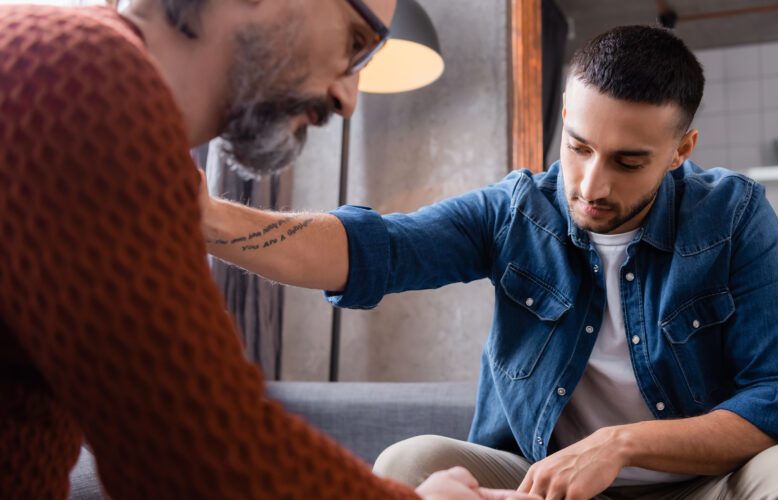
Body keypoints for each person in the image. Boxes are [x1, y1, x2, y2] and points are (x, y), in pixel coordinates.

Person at [199, 26, 778, 500]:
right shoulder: (519, 210)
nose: (591, 185)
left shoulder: (734, 217)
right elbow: (377, 249)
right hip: (542, 486)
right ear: (566, 119)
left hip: (703, 487)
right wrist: (207, 218)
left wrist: (620, 445)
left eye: (628, 161)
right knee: (409, 461)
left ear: (680, 150)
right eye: (578, 147)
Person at [0, 0, 537, 498]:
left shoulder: (87, 78)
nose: (348, 99)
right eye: (355, 43)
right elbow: (196, 451)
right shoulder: (85, 79)